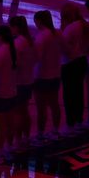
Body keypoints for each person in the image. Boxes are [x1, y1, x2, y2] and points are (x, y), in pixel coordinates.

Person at [32, 11, 62, 141]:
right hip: (55, 74)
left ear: (39, 21)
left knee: (41, 107)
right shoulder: (57, 34)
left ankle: (40, 133)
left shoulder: (41, 37)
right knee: (54, 104)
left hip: (42, 76)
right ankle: (55, 130)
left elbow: (36, 57)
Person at [59, 3, 89, 132]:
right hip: (82, 60)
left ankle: (70, 122)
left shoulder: (70, 28)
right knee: (78, 92)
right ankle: (79, 120)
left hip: (70, 63)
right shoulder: (84, 25)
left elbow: (64, 48)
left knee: (69, 94)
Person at [0, 26, 18, 161]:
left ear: (0, 36)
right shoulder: (14, 50)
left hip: (0, 92)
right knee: (10, 123)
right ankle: (9, 147)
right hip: (12, 91)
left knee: (1, 126)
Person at [8, 16, 37, 146]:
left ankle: (18, 139)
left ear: (16, 27)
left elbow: (15, 64)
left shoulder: (18, 43)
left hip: (19, 82)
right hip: (28, 80)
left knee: (17, 112)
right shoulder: (30, 40)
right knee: (24, 111)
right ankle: (26, 136)